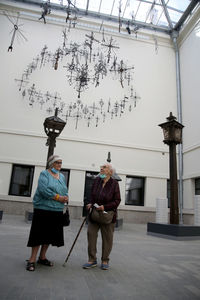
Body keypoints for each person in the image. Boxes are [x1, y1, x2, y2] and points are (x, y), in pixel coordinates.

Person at [26, 155, 69, 271]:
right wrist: (57, 197)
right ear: (51, 164)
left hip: (56, 210)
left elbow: (64, 189)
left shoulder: (62, 177)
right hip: (43, 208)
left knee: (49, 235)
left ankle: (42, 257)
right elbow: (43, 189)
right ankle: (32, 259)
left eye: (61, 162)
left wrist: (65, 197)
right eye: (57, 162)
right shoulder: (44, 174)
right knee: (38, 234)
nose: (60, 164)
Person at [83, 163, 121, 270]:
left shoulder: (114, 184)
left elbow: (117, 201)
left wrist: (105, 207)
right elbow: (92, 195)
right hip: (94, 214)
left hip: (107, 216)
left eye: (104, 168)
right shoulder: (97, 181)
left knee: (107, 239)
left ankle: (105, 260)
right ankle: (92, 260)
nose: (101, 169)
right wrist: (90, 202)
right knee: (91, 235)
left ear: (110, 172)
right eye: (101, 168)